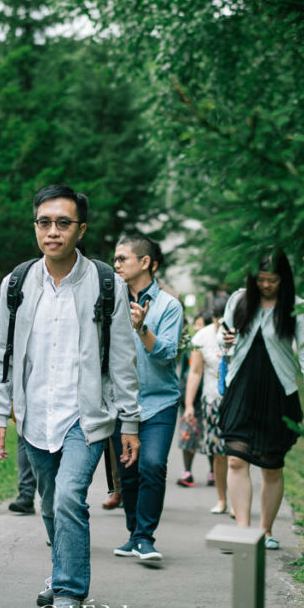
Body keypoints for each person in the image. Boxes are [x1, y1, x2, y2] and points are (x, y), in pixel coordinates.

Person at [0, 184, 141, 608]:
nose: (52, 231)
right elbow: (3, 356)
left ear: (81, 230)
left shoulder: (106, 283)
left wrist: (129, 422)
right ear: (36, 226)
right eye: (44, 222)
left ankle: (68, 603)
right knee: (50, 504)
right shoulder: (16, 283)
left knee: (71, 497)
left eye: (62, 223)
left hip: (85, 416)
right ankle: (61, 573)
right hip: (35, 417)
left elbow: (122, 359)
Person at [219, 249, 304, 550]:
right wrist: (224, 339)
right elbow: (223, 337)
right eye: (262, 280)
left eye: (273, 280)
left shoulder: (296, 306)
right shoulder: (239, 300)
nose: (266, 285)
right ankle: (242, 530)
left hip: (278, 391)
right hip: (241, 386)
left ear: (283, 279)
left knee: (272, 465)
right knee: (236, 458)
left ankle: (265, 530)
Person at [109, 235, 185, 563]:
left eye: (123, 258)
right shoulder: (110, 299)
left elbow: (167, 353)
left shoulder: (170, 306)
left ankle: (144, 537)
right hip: (120, 401)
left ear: (145, 262)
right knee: (127, 472)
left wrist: (142, 329)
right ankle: (132, 534)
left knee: (152, 465)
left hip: (160, 402)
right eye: (115, 258)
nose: (116, 264)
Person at [183, 297, 230, 513]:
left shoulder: (242, 333)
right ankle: (222, 499)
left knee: (237, 453)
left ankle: (237, 501)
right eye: (219, 321)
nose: (223, 325)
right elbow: (195, 372)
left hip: (236, 400)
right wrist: (189, 404)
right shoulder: (202, 337)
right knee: (219, 453)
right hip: (212, 399)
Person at [175, 312, 209, 488]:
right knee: (188, 431)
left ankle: (213, 472)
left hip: (208, 394)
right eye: (196, 324)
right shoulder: (191, 347)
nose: (198, 328)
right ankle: (187, 472)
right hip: (189, 395)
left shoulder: (213, 345)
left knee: (211, 433)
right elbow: (185, 374)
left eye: (201, 324)